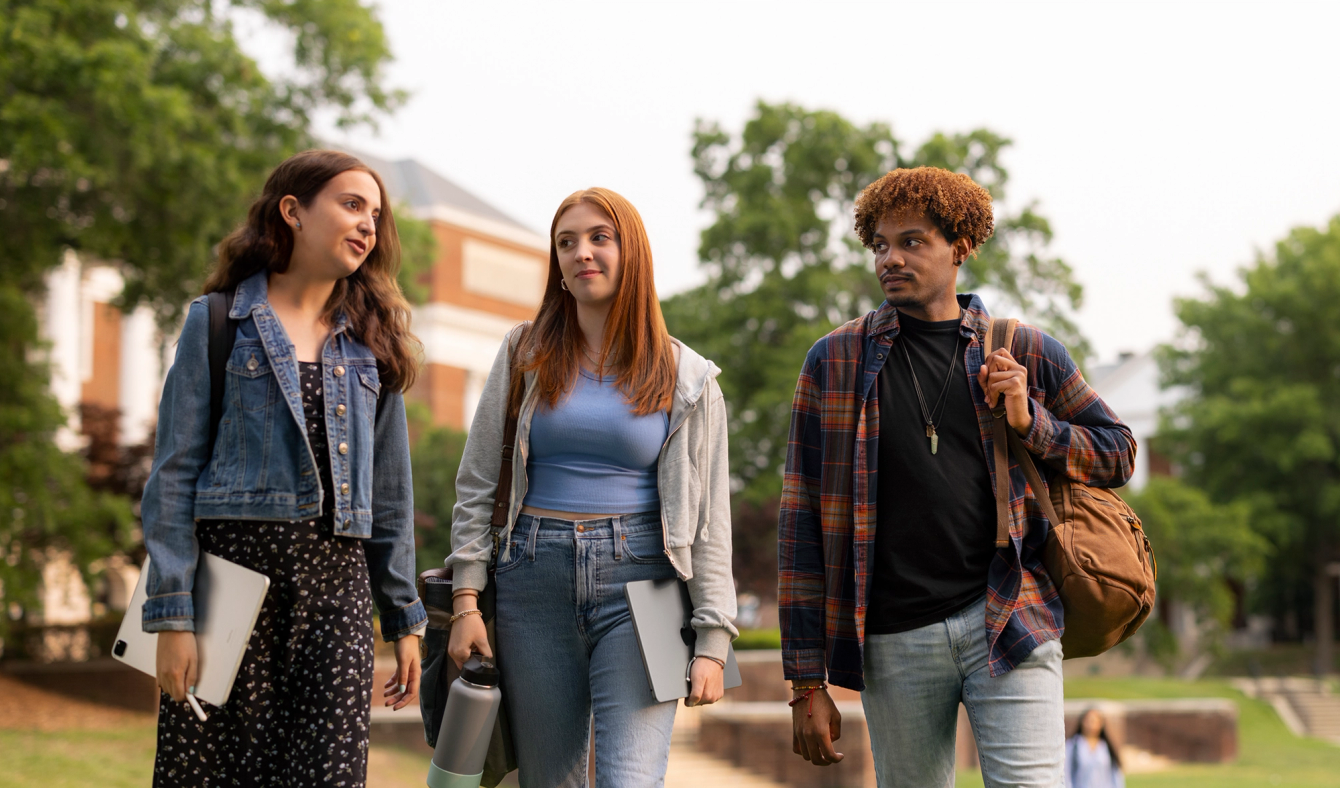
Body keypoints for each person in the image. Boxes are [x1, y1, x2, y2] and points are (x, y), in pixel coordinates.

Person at [778, 167, 1136, 786]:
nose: (891, 258)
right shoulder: (834, 361)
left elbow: (1119, 453)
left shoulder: (1025, 350)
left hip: (1009, 617)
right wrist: (806, 681)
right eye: (880, 245)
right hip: (894, 640)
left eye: (912, 242)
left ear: (959, 248)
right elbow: (800, 524)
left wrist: (1035, 424)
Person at [141, 150, 427, 787]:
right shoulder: (216, 323)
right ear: (293, 211)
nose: (367, 225)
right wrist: (173, 617)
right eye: (352, 205)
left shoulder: (375, 344)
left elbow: (390, 497)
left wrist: (404, 618)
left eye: (375, 215)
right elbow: (173, 478)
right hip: (228, 594)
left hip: (335, 605)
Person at [444, 187, 736, 787]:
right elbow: (477, 483)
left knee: (629, 778)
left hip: (644, 584)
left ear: (633, 252)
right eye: (566, 242)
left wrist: (712, 638)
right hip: (531, 576)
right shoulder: (524, 351)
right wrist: (466, 600)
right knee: (552, 781)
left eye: (600, 238)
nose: (582, 253)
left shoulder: (688, 376)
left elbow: (708, 521)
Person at [1065, 708, 1125, 788]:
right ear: (1082, 722)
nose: (1091, 725)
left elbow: (1115, 774)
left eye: (1095, 721)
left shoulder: (1105, 746)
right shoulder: (1073, 745)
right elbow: (1066, 773)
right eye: (1089, 720)